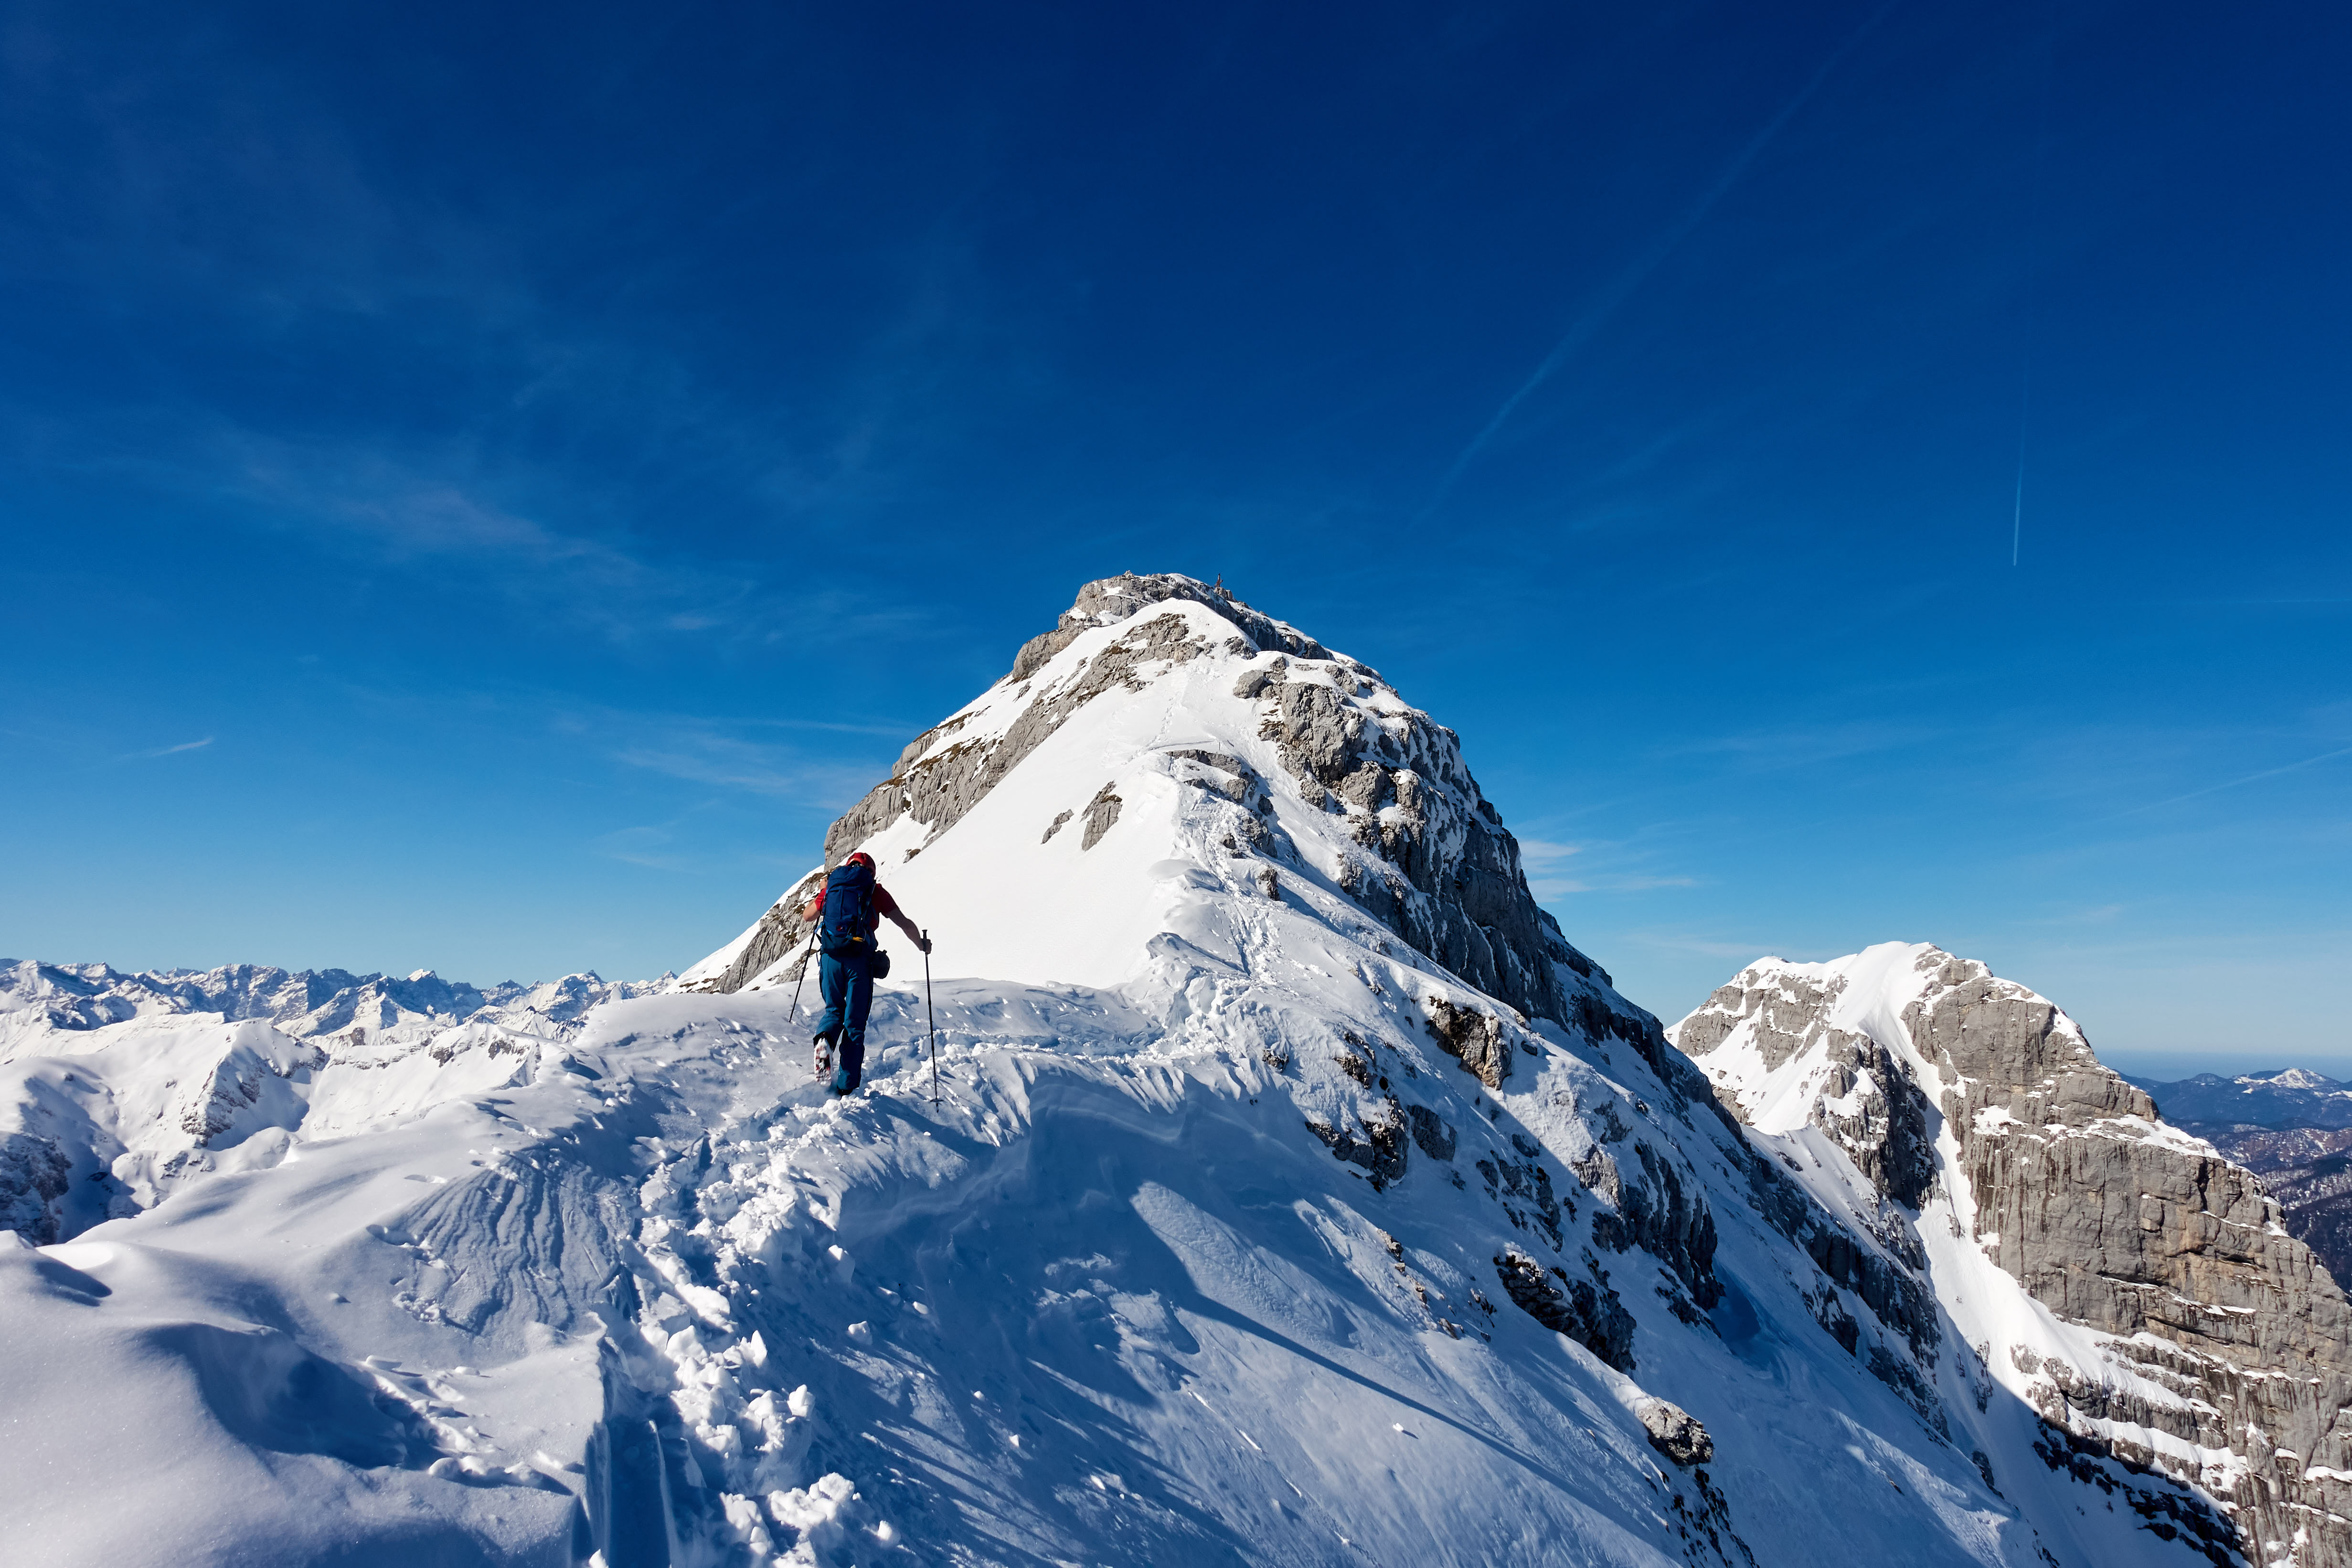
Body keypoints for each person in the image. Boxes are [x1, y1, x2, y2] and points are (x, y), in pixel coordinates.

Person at [801, 850, 929, 1096]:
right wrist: (922, 945)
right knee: (855, 1024)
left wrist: (823, 892)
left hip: (830, 959)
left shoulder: (833, 887)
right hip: (858, 962)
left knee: (834, 1010)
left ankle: (825, 1042)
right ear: (871, 871)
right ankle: (846, 1088)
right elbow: (903, 922)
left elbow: (808, 916)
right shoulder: (874, 890)